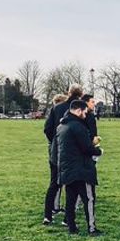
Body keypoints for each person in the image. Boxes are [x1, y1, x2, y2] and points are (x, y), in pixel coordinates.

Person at [53, 100, 103, 236]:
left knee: (70, 199)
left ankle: (72, 227)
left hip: (67, 168)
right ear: (79, 110)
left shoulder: (61, 126)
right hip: (82, 169)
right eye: (85, 112)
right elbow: (86, 148)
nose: (86, 115)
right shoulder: (78, 126)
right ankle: (91, 228)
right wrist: (98, 151)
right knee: (89, 199)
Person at [42, 84, 83, 225]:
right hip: (73, 151)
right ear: (81, 95)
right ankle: (68, 218)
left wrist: (54, 140)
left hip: (56, 148)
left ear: (68, 92)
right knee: (72, 184)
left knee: (54, 183)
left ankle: (47, 215)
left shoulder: (57, 108)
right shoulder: (81, 109)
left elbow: (47, 128)